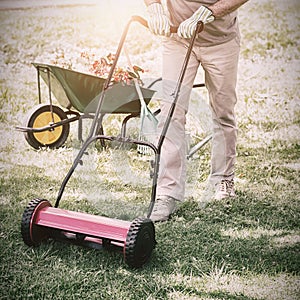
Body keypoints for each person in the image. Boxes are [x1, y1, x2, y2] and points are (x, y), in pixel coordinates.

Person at [144, 0, 249, 222]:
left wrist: (211, 11)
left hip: (221, 42)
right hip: (178, 38)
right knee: (171, 112)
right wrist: (154, 5)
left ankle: (223, 178)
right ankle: (167, 191)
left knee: (223, 113)